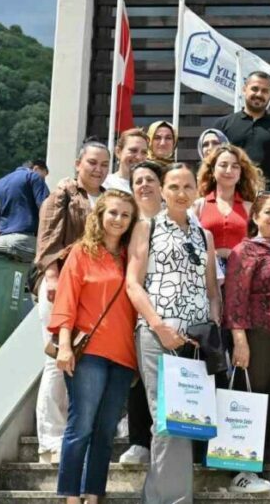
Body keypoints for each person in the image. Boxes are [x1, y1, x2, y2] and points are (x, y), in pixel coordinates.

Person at [125, 163, 224, 501]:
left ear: (197, 191)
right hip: (156, 336)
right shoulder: (146, 227)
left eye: (188, 187)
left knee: (186, 420)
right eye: (174, 187)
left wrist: (210, 328)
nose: (181, 193)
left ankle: (161, 495)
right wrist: (158, 325)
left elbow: (212, 291)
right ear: (163, 191)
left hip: (195, 344)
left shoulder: (204, 235)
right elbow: (133, 285)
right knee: (168, 421)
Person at [48, 189, 139, 504]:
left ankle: (93, 493)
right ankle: (71, 495)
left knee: (105, 431)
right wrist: (63, 345)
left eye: (125, 215)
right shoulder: (82, 252)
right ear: (99, 215)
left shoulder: (133, 256)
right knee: (82, 426)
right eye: (113, 212)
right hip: (90, 353)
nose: (118, 219)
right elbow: (66, 300)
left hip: (124, 355)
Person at [33, 140, 109, 464]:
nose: (98, 169)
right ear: (79, 163)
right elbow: (48, 239)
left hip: (91, 292)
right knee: (55, 361)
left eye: (104, 164)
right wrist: (51, 278)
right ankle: (50, 440)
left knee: (83, 363)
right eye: (92, 162)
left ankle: (76, 434)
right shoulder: (64, 194)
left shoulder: (107, 199)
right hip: (60, 283)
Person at [223, 192, 270, 491]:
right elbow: (234, 299)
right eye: (268, 212)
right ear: (255, 217)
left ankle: (256, 469)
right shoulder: (246, 250)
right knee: (249, 400)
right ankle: (238, 472)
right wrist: (240, 339)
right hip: (257, 335)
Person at [119, 161, 164, 465]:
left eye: (150, 179)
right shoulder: (126, 221)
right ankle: (139, 442)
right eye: (138, 181)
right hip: (129, 305)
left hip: (168, 311)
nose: (144, 185)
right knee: (136, 376)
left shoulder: (176, 219)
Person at [212, 70, 270, 191]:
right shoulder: (222, 125)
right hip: (231, 199)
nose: (259, 94)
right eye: (254, 89)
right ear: (244, 89)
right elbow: (210, 163)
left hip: (267, 202)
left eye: (265, 91)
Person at [194, 144, 262, 264]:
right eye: (223, 165)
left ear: (241, 172)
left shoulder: (250, 208)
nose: (229, 170)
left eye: (235, 166)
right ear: (212, 170)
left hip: (241, 273)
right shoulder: (199, 206)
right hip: (207, 273)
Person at [0, 160, 50, 260]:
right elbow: (46, 208)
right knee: (34, 273)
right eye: (44, 177)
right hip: (25, 240)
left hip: (2, 240)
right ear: (36, 168)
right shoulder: (34, 177)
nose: (43, 181)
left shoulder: (0, 182)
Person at [103, 128, 150, 194]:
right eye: (133, 150)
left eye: (144, 152)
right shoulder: (104, 184)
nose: (139, 157)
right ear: (118, 152)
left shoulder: (151, 187)